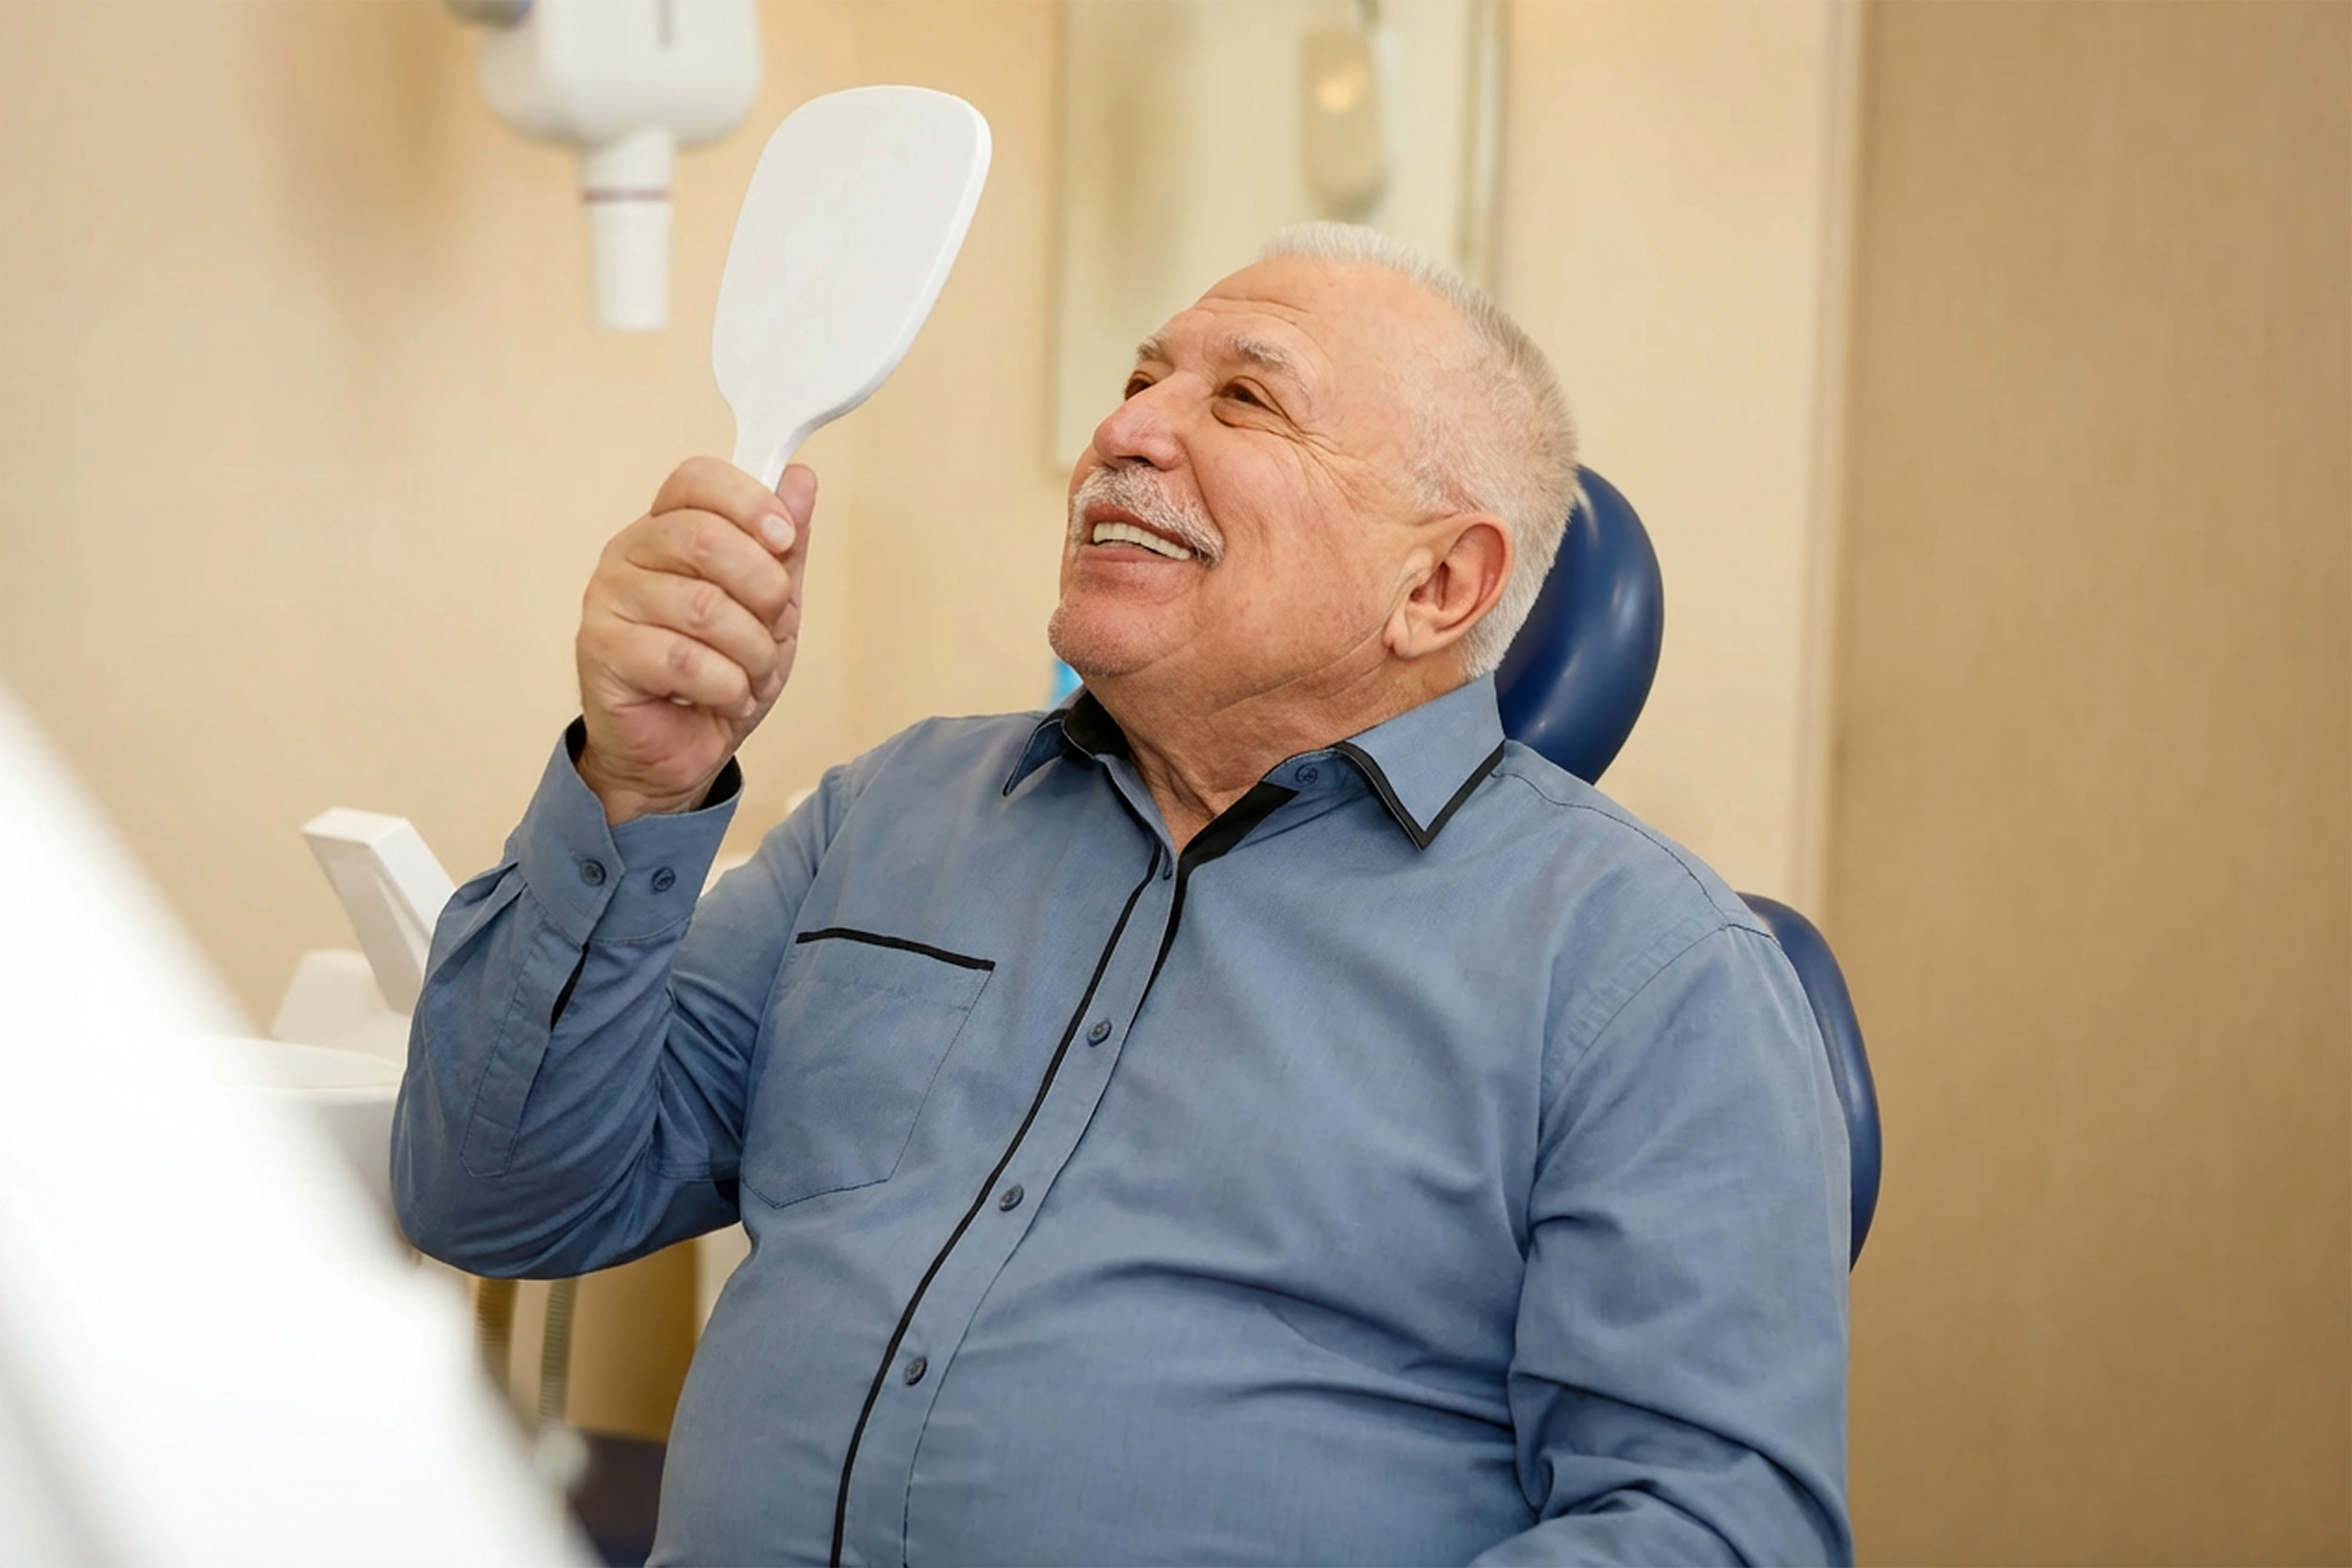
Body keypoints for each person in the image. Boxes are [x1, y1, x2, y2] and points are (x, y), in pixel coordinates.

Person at [393, 222, 1853, 1567]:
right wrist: (636, 791)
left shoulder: (1654, 977)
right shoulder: (888, 818)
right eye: (1143, 376)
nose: (1126, 430)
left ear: (1439, 590)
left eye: (1244, 402)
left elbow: (1712, 1532)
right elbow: (497, 1200)